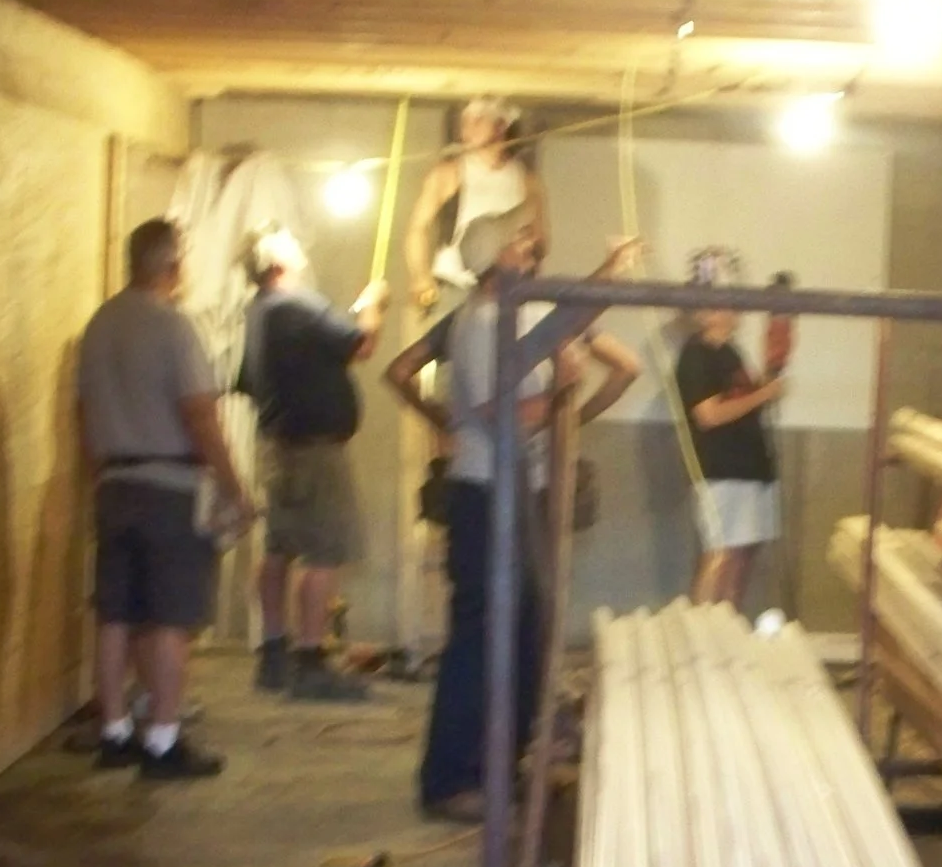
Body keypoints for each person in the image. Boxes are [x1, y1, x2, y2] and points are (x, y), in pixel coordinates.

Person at [386, 208, 639, 821]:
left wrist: (610, 271)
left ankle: (500, 765)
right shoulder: (479, 324)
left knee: (521, 626)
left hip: (505, 489)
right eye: (520, 242)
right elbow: (505, 410)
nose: (531, 246)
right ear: (499, 259)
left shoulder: (501, 315)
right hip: (486, 493)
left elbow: (561, 327)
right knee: (481, 637)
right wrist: (561, 398)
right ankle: (451, 779)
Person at [76, 219, 254, 781]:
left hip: (113, 483)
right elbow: (200, 413)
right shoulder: (173, 327)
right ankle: (163, 740)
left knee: (115, 614)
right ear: (172, 266)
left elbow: (80, 413)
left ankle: (114, 732)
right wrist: (233, 486)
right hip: (169, 488)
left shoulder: (98, 325)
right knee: (171, 617)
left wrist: (96, 475)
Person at [235, 228, 386, 701]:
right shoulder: (298, 304)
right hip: (316, 450)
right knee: (324, 551)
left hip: (278, 446)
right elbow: (361, 345)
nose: (303, 247)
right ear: (278, 266)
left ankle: (274, 652)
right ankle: (311, 660)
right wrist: (375, 303)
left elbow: (247, 379)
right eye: (293, 245)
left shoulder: (257, 312)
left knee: (280, 547)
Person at [674, 250, 789, 613]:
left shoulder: (732, 353)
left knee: (743, 554)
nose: (738, 306)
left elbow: (746, 401)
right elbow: (708, 415)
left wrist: (767, 383)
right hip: (722, 472)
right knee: (720, 553)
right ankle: (701, 637)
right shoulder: (696, 355)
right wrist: (763, 395)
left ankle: (727, 630)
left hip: (751, 468)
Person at [402, 97, 549, 308]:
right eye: (466, 121)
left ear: (501, 126)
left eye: (478, 120)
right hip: (453, 288)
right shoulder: (449, 173)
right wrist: (421, 278)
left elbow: (540, 239)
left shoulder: (526, 181)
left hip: (504, 291)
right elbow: (417, 229)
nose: (468, 129)